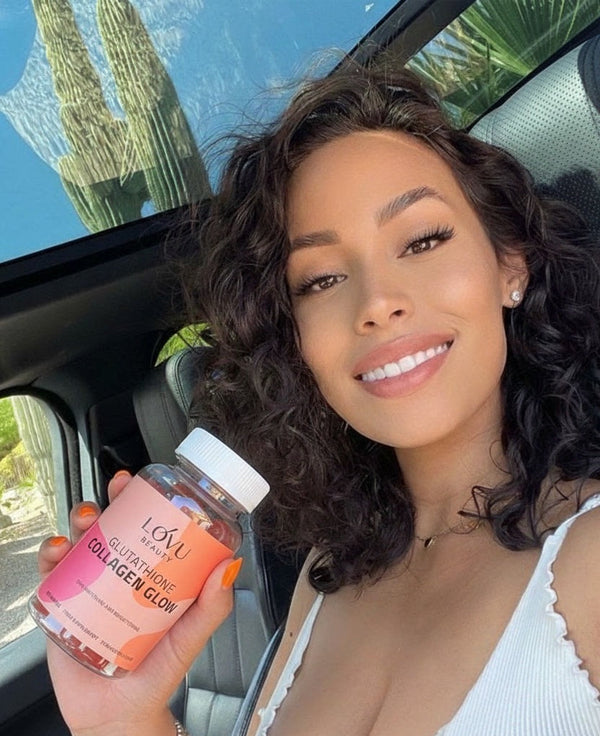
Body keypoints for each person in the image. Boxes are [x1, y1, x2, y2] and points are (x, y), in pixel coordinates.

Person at [39, 61, 600, 736]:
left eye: (422, 240)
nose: (377, 302)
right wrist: (123, 720)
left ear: (509, 264)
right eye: (321, 280)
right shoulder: (329, 571)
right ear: (297, 341)